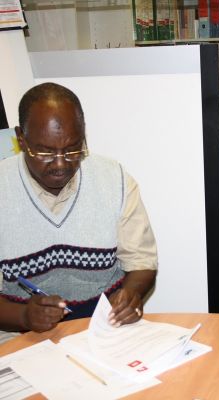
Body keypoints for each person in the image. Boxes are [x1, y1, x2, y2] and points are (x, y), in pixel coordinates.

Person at [0, 82, 158, 334]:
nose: (61, 164)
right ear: (21, 138)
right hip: (20, 331)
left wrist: (131, 294)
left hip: (101, 325)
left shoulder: (113, 179)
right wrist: (23, 315)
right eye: (45, 152)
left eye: (73, 149)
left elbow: (142, 262)